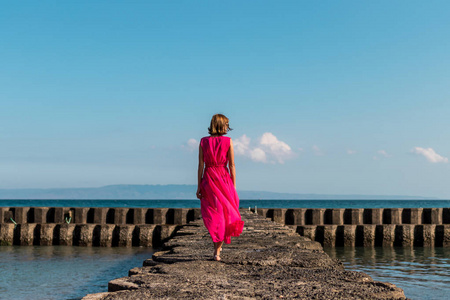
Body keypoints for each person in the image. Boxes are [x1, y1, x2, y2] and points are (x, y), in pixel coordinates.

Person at [196, 114, 244, 261]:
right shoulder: (228, 141)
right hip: (223, 178)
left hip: (209, 178)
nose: (227, 128)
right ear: (221, 125)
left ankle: (217, 249)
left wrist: (199, 185)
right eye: (226, 125)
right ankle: (217, 251)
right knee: (224, 214)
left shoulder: (203, 141)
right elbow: (232, 165)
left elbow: (201, 165)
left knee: (214, 214)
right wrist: (233, 185)